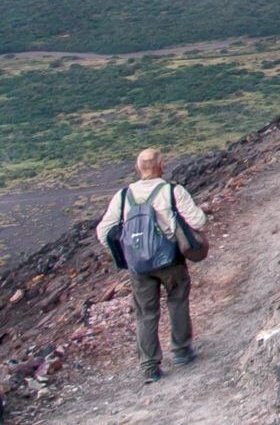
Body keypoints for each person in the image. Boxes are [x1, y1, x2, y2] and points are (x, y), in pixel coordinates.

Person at [95, 148, 207, 384]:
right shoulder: (172, 191)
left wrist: (125, 255)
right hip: (170, 259)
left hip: (138, 265)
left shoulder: (123, 195)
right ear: (162, 165)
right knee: (177, 301)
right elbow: (199, 220)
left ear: (138, 168)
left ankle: (149, 366)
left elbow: (104, 231)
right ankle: (181, 351)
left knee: (145, 313)